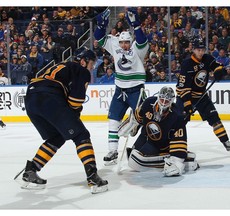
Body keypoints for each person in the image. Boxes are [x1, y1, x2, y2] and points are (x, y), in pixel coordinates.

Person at [17, 47, 108, 194]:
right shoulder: (81, 70)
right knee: (81, 135)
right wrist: (75, 114)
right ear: (84, 61)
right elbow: (75, 101)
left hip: (31, 97)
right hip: (49, 97)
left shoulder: (64, 65)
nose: (92, 68)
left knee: (57, 137)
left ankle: (31, 170)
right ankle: (92, 176)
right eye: (91, 64)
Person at [94, 8, 149, 165]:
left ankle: (146, 147)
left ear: (130, 41)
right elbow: (99, 38)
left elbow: (142, 40)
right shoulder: (114, 45)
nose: (124, 45)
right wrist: (101, 25)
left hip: (136, 90)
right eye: (122, 42)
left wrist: (136, 26)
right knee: (113, 120)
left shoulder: (138, 49)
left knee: (144, 119)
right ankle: (112, 151)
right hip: (120, 90)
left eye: (126, 42)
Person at [176, 37, 230, 155]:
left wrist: (218, 71)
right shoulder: (186, 64)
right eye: (198, 50)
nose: (201, 52)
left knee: (214, 118)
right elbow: (183, 87)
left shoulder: (207, 58)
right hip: (185, 96)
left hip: (201, 95)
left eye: (202, 49)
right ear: (193, 50)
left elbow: (217, 66)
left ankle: (226, 142)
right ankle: (175, 146)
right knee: (180, 122)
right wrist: (187, 104)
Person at [119, 87, 199, 176]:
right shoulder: (148, 103)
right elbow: (137, 118)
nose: (163, 103)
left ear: (172, 101)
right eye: (162, 99)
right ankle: (181, 159)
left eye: (167, 101)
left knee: (135, 163)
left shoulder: (177, 116)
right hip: (146, 136)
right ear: (158, 97)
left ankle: (178, 159)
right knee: (132, 155)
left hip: (162, 145)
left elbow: (179, 140)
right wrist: (130, 125)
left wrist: (177, 162)